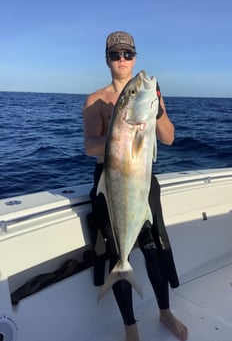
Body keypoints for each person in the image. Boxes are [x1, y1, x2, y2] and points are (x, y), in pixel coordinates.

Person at [82, 31, 188, 341]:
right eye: (116, 55)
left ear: (135, 57)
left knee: (155, 248)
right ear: (107, 60)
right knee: (118, 253)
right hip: (111, 183)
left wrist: (154, 113)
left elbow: (168, 137)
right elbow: (90, 146)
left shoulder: (149, 94)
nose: (123, 60)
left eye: (128, 54)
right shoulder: (96, 101)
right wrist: (123, 132)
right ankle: (131, 329)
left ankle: (165, 312)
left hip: (143, 182)